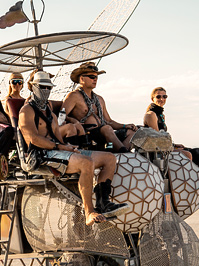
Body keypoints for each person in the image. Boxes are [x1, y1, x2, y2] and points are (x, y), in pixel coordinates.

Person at [18, 71, 130, 226]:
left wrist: (69, 148)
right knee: (85, 162)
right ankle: (89, 212)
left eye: (48, 87)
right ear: (33, 87)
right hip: (40, 154)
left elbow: (57, 134)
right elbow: (33, 139)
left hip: (57, 149)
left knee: (109, 158)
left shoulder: (49, 111)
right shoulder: (27, 111)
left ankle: (103, 203)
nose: (46, 91)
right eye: (42, 87)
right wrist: (60, 146)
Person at [61, 62, 137, 151]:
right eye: (92, 77)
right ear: (82, 79)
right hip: (88, 135)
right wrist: (73, 121)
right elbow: (61, 116)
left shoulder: (99, 99)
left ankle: (120, 155)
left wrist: (125, 126)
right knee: (107, 129)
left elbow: (109, 121)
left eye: (96, 77)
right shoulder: (73, 96)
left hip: (105, 136)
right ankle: (124, 153)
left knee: (131, 132)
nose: (95, 79)